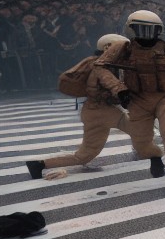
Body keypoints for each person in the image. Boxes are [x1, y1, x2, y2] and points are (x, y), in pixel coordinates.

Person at [94, 9, 165, 194]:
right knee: (140, 142)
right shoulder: (123, 48)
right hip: (137, 98)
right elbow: (100, 67)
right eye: (141, 30)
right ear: (132, 30)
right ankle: (155, 156)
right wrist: (119, 89)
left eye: (150, 30)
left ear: (158, 31)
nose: (146, 35)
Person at [26, 34, 131, 179]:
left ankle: (39, 165)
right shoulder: (101, 67)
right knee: (140, 130)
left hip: (93, 112)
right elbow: (103, 90)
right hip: (102, 111)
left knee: (84, 156)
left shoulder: (103, 65)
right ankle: (159, 159)